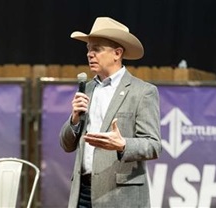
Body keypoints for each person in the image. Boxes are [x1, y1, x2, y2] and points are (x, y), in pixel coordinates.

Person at [59, 17, 162, 208]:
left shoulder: (142, 92)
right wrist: (74, 119)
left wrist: (123, 144)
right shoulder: (86, 89)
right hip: (82, 193)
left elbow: (153, 145)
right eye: (88, 49)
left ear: (117, 53)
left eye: (96, 49)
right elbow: (66, 145)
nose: (90, 54)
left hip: (120, 196)